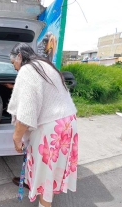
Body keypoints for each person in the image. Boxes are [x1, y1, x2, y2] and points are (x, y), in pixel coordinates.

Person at [7, 43, 78, 207]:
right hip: (67, 123)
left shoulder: (27, 69)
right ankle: (36, 186)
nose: (15, 68)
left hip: (50, 128)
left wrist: (17, 137)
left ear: (19, 56)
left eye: (13, 63)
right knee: (52, 168)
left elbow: (27, 112)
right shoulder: (45, 65)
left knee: (46, 171)